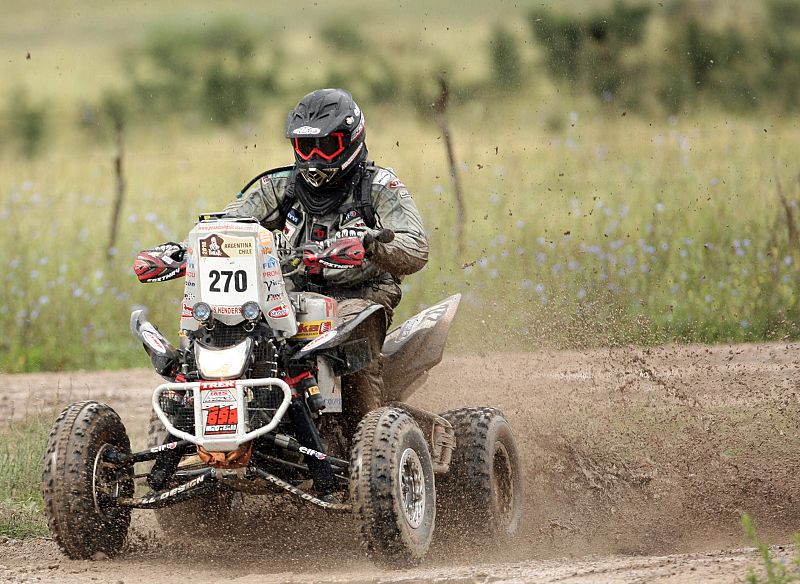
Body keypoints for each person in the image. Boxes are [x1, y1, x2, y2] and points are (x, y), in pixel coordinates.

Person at [223, 88, 429, 426]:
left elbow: (416, 246)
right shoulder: (279, 186)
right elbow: (229, 224)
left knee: (351, 343)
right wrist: (190, 250)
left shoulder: (378, 186)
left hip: (361, 295)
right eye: (306, 147)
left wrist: (370, 245)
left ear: (351, 141)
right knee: (233, 328)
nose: (315, 157)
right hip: (288, 292)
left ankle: (369, 436)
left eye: (326, 145)